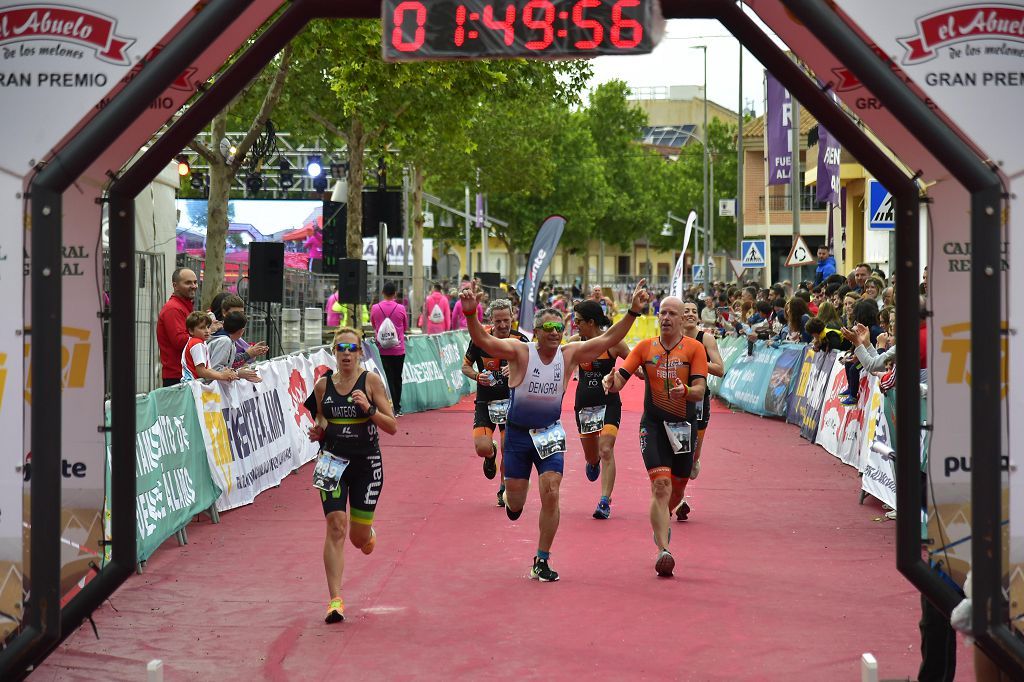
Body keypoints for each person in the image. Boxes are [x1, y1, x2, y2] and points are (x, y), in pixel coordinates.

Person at [458, 280, 650, 582]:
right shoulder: (521, 352)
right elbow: (485, 341)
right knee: (516, 504)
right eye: (548, 325)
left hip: (549, 433)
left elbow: (609, 338)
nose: (554, 331)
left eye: (559, 327)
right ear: (536, 330)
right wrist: (470, 315)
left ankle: (542, 559)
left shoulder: (568, 354)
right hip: (519, 435)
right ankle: (511, 499)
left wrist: (634, 312)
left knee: (551, 491)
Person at [602, 296, 708, 577]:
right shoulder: (645, 347)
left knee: (676, 490)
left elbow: (700, 391)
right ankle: (664, 549)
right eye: (662, 313)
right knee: (660, 486)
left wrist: (684, 391)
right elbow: (621, 380)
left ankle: (665, 519)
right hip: (653, 425)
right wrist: (610, 382)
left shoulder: (695, 349)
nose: (666, 318)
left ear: (682, 319)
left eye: (672, 313)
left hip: (684, 427)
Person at [306, 328, 398, 623]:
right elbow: (320, 415)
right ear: (334, 352)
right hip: (332, 461)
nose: (346, 353)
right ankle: (335, 600)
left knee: (358, 538)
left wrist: (368, 408)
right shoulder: (323, 385)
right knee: (335, 525)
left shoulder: (370, 381)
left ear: (360, 353)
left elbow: (392, 426)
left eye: (352, 348)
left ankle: (367, 534)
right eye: (341, 348)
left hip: (366, 464)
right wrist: (318, 428)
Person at [462, 299, 529, 506]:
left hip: (512, 402)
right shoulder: (480, 340)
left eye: (506, 320)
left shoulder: (521, 340)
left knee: (508, 448)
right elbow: (465, 367)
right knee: (481, 447)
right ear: (491, 320)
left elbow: (535, 368)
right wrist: (476, 376)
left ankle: (503, 490)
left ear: (513, 318)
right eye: (498, 321)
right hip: (485, 401)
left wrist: (519, 369)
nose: (502, 325)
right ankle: (490, 456)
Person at [569, 300, 629, 520]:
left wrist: (619, 376)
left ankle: (605, 501)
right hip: (584, 405)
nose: (575, 325)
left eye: (578, 321)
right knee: (593, 455)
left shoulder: (613, 344)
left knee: (606, 449)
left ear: (591, 322)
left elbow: (636, 365)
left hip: (609, 403)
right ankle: (591, 462)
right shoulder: (576, 343)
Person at [675, 300, 724, 520]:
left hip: (698, 400)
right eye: (686, 311)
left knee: (692, 455)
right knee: (677, 451)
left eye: (694, 311)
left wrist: (696, 362)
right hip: (676, 398)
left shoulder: (706, 339)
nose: (691, 315)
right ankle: (680, 500)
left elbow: (720, 369)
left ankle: (696, 460)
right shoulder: (672, 338)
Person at [370, 281, 409, 416]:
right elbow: (405, 327)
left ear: (382, 293)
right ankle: (397, 408)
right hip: (399, 349)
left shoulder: (375, 308)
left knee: (387, 377)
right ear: (395, 294)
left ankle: (387, 407)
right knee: (397, 378)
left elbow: (374, 325)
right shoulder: (401, 308)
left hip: (383, 349)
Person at [157, 268, 199, 387]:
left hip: (184, 374)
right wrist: (205, 333)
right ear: (175, 286)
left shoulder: (183, 306)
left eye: (195, 282)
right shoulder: (173, 309)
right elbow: (180, 341)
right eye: (188, 282)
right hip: (177, 377)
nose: (193, 286)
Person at [180, 312, 238, 383]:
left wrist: (224, 373)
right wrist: (222, 375)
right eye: (202, 328)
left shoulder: (199, 342)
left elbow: (207, 369)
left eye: (208, 327)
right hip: (192, 385)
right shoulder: (197, 343)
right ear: (191, 331)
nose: (207, 331)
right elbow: (201, 371)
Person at [217, 294, 269, 369]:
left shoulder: (235, 335)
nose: (239, 317)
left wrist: (254, 352)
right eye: (235, 313)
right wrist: (249, 354)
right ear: (224, 312)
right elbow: (224, 365)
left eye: (241, 313)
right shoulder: (222, 338)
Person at [207, 311, 262, 382]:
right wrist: (238, 374)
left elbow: (228, 364)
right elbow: (215, 369)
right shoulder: (225, 341)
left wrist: (240, 372)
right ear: (242, 330)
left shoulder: (227, 339)